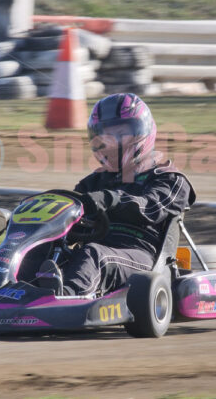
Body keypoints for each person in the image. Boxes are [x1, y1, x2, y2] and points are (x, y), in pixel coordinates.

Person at [40, 93, 195, 296]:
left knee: (94, 255)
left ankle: (64, 299)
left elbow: (151, 208)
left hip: (143, 257)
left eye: (121, 133)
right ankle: (8, 292)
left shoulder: (170, 179)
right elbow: (72, 222)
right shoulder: (93, 182)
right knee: (44, 251)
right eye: (105, 135)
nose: (111, 142)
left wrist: (110, 199)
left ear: (143, 131)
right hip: (94, 252)